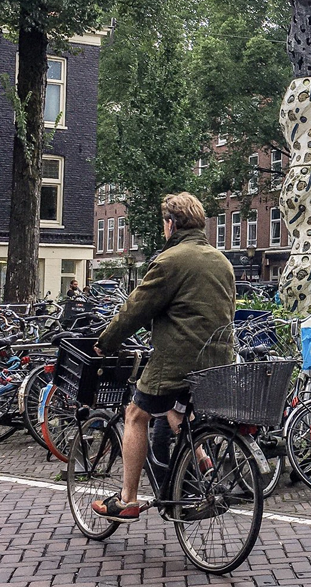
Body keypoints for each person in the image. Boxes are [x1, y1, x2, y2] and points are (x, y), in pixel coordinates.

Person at [91, 192, 235, 523]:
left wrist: (106, 342)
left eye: (164, 222)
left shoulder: (170, 261)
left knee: (135, 413)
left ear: (170, 224)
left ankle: (127, 500)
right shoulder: (221, 261)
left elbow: (135, 310)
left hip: (178, 361)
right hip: (217, 359)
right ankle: (203, 466)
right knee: (175, 413)